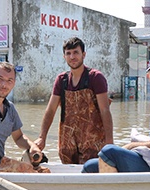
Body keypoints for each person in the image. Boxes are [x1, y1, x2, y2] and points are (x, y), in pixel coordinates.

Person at [35, 36, 113, 164]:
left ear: (83, 54)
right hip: (67, 145)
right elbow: (50, 110)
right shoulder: (61, 80)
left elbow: (105, 110)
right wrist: (42, 137)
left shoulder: (95, 78)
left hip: (93, 144)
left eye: (76, 52)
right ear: (64, 56)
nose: (72, 57)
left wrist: (109, 142)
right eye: (68, 53)